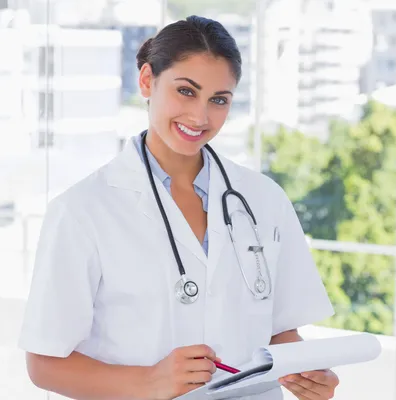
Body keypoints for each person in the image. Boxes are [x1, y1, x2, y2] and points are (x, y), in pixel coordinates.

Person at [18, 15, 339, 400]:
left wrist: (305, 372)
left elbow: (279, 329)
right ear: (147, 81)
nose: (200, 117)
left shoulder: (264, 199)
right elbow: (44, 363)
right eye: (186, 91)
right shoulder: (81, 210)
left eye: (218, 100)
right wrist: (147, 382)